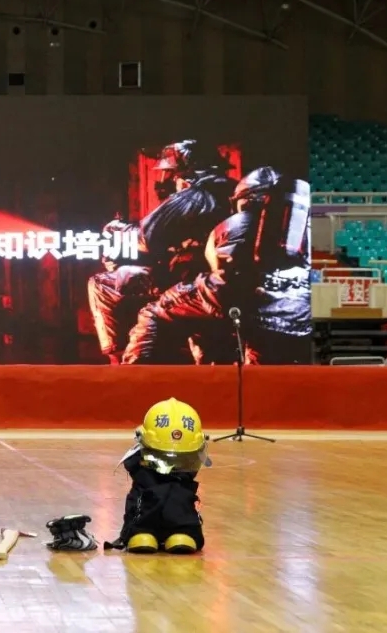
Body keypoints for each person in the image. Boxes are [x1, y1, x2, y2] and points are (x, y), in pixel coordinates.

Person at [122, 166, 312, 365]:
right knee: (260, 362)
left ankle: (137, 375)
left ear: (246, 199)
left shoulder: (237, 222)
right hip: (298, 314)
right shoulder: (306, 229)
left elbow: (219, 274)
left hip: (241, 303)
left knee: (156, 312)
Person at [87, 140, 236, 364]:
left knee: (102, 283)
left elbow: (145, 239)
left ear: (187, 171)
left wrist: (118, 229)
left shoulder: (194, 196)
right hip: (217, 280)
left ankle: (117, 360)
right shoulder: (232, 190)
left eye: (172, 173)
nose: (168, 180)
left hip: (191, 279)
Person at [105, 397, 210, 554]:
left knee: (143, 510)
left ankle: (142, 534)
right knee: (182, 505)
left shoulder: (143, 459)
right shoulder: (186, 473)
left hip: (144, 514)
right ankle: (182, 533)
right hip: (184, 518)